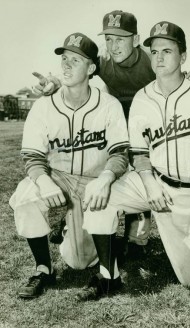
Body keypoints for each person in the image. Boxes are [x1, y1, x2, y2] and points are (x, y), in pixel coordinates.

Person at [80, 20, 190, 298]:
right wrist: (149, 183)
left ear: (183, 57)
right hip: (155, 185)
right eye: (155, 51)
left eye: (167, 51)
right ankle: (108, 276)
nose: (159, 57)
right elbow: (139, 153)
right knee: (97, 196)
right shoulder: (142, 97)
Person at [32, 10, 190, 257]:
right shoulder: (102, 59)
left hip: (146, 119)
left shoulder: (149, 61)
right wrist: (55, 82)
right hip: (116, 118)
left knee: (145, 171)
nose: (113, 45)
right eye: (108, 38)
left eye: (120, 38)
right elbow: (78, 67)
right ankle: (74, 221)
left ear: (136, 38)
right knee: (101, 168)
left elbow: (175, 75)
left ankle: (137, 240)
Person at [9, 32, 129, 298]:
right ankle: (43, 269)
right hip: (59, 177)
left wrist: (105, 179)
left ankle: (82, 233)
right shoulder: (43, 106)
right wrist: (43, 181)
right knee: (26, 197)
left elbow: (120, 153)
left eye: (75, 60)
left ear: (91, 68)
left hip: (94, 182)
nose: (66, 65)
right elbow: (32, 156)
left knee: (79, 262)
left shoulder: (108, 105)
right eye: (64, 58)